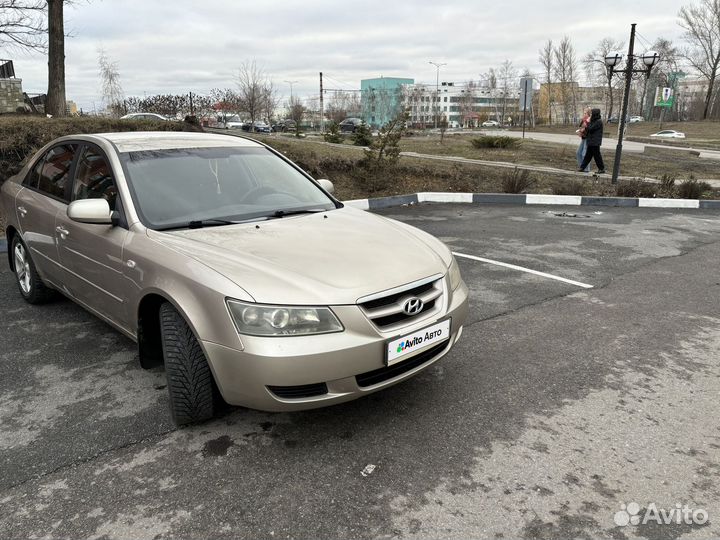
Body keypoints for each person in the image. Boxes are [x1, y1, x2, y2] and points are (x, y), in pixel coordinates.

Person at [579, 108, 605, 174]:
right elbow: (588, 130)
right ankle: (582, 167)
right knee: (588, 156)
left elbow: (591, 129)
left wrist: (586, 124)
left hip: (595, 142)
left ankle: (601, 169)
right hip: (591, 141)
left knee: (597, 156)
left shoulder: (599, 121)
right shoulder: (593, 121)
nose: (591, 115)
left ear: (595, 114)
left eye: (592, 114)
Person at [575, 107, 592, 172]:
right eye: (584, 113)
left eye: (585, 113)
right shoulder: (583, 120)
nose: (584, 114)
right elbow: (580, 127)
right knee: (578, 153)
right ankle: (582, 167)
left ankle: (586, 169)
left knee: (584, 154)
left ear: (589, 114)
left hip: (588, 139)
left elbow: (590, 130)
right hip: (584, 138)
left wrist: (583, 130)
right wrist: (579, 131)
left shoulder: (590, 120)